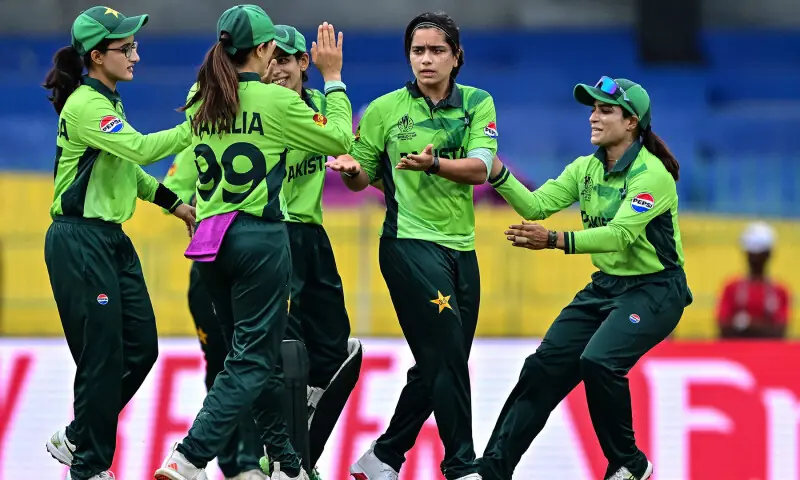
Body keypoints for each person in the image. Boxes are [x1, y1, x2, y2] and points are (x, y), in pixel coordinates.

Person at [154, 6, 353, 480]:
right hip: (260, 237)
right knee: (252, 359)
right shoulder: (276, 100)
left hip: (208, 239)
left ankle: (286, 463)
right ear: (262, 51)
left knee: (249, 356)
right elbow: (341, 136)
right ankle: (189, 455)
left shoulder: (201, 93)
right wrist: (334, 79)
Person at [476, 77, 692, 480]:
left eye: (605, 110)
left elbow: (619, 235)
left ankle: (629, 463)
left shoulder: (652, 175)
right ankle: (491, 470)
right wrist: (496, 169)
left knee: (599, 362)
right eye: (592, 109)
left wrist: (555, 240)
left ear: (631, 122)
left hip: (656, 290)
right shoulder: (586, 169)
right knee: (541, 369)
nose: (593, 117)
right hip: (607, 286)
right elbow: (537, 205)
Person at [326, 11, 497, 480]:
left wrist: (434, 165)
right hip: (407, 244)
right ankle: (462, 465)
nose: (426, 59)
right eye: (418, 51)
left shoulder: (478, 104)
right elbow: (363, 178)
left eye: (436, 50)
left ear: (456, 57)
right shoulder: (383, 110)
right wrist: (351, 170)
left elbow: (482, 168)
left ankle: (382, 457)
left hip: (462, 248)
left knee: (444, 359)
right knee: (444, 356)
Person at [40, 6, 196, 480]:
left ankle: (77, 435)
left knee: (141, 347)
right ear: (95, 55)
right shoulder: (87, 106)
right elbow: (144, 150)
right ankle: (89, 466)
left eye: (133, 45)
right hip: (80, 240)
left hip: (110, 240)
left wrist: (177, 205)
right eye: (125, 48)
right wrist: (200, 124)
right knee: (102, 354)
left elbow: (129, 172)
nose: (136, 55)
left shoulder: (109, 103)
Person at [260, 24, 363, 477]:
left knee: (340, 354)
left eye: (286, 60)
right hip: (273, 235)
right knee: (287, 354)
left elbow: (357, 175)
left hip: (312, 239)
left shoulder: (321, 108)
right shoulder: (261, 108)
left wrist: (353, 171)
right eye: (269, 59)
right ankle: (283, 460)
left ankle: (294, 457)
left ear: (304, 64)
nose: (275, 68)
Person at [162, 155, 266, 480]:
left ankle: (250, 459)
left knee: (250, 360)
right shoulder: (200, 142)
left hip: (253, 268)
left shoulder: (262, 131)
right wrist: (197, 207)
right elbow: (169, 194)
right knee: (227, 363)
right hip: (212, 271)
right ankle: (236, 462)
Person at [716, 221, 791, 339]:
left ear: (768, 255)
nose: (754, 259)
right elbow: (723, 328)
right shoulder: (731, 288)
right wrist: (764, 326)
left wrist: (744, 324)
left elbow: (779, 332)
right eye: (751, 254)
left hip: (769, 355)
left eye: (759, 254)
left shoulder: (779, 291)